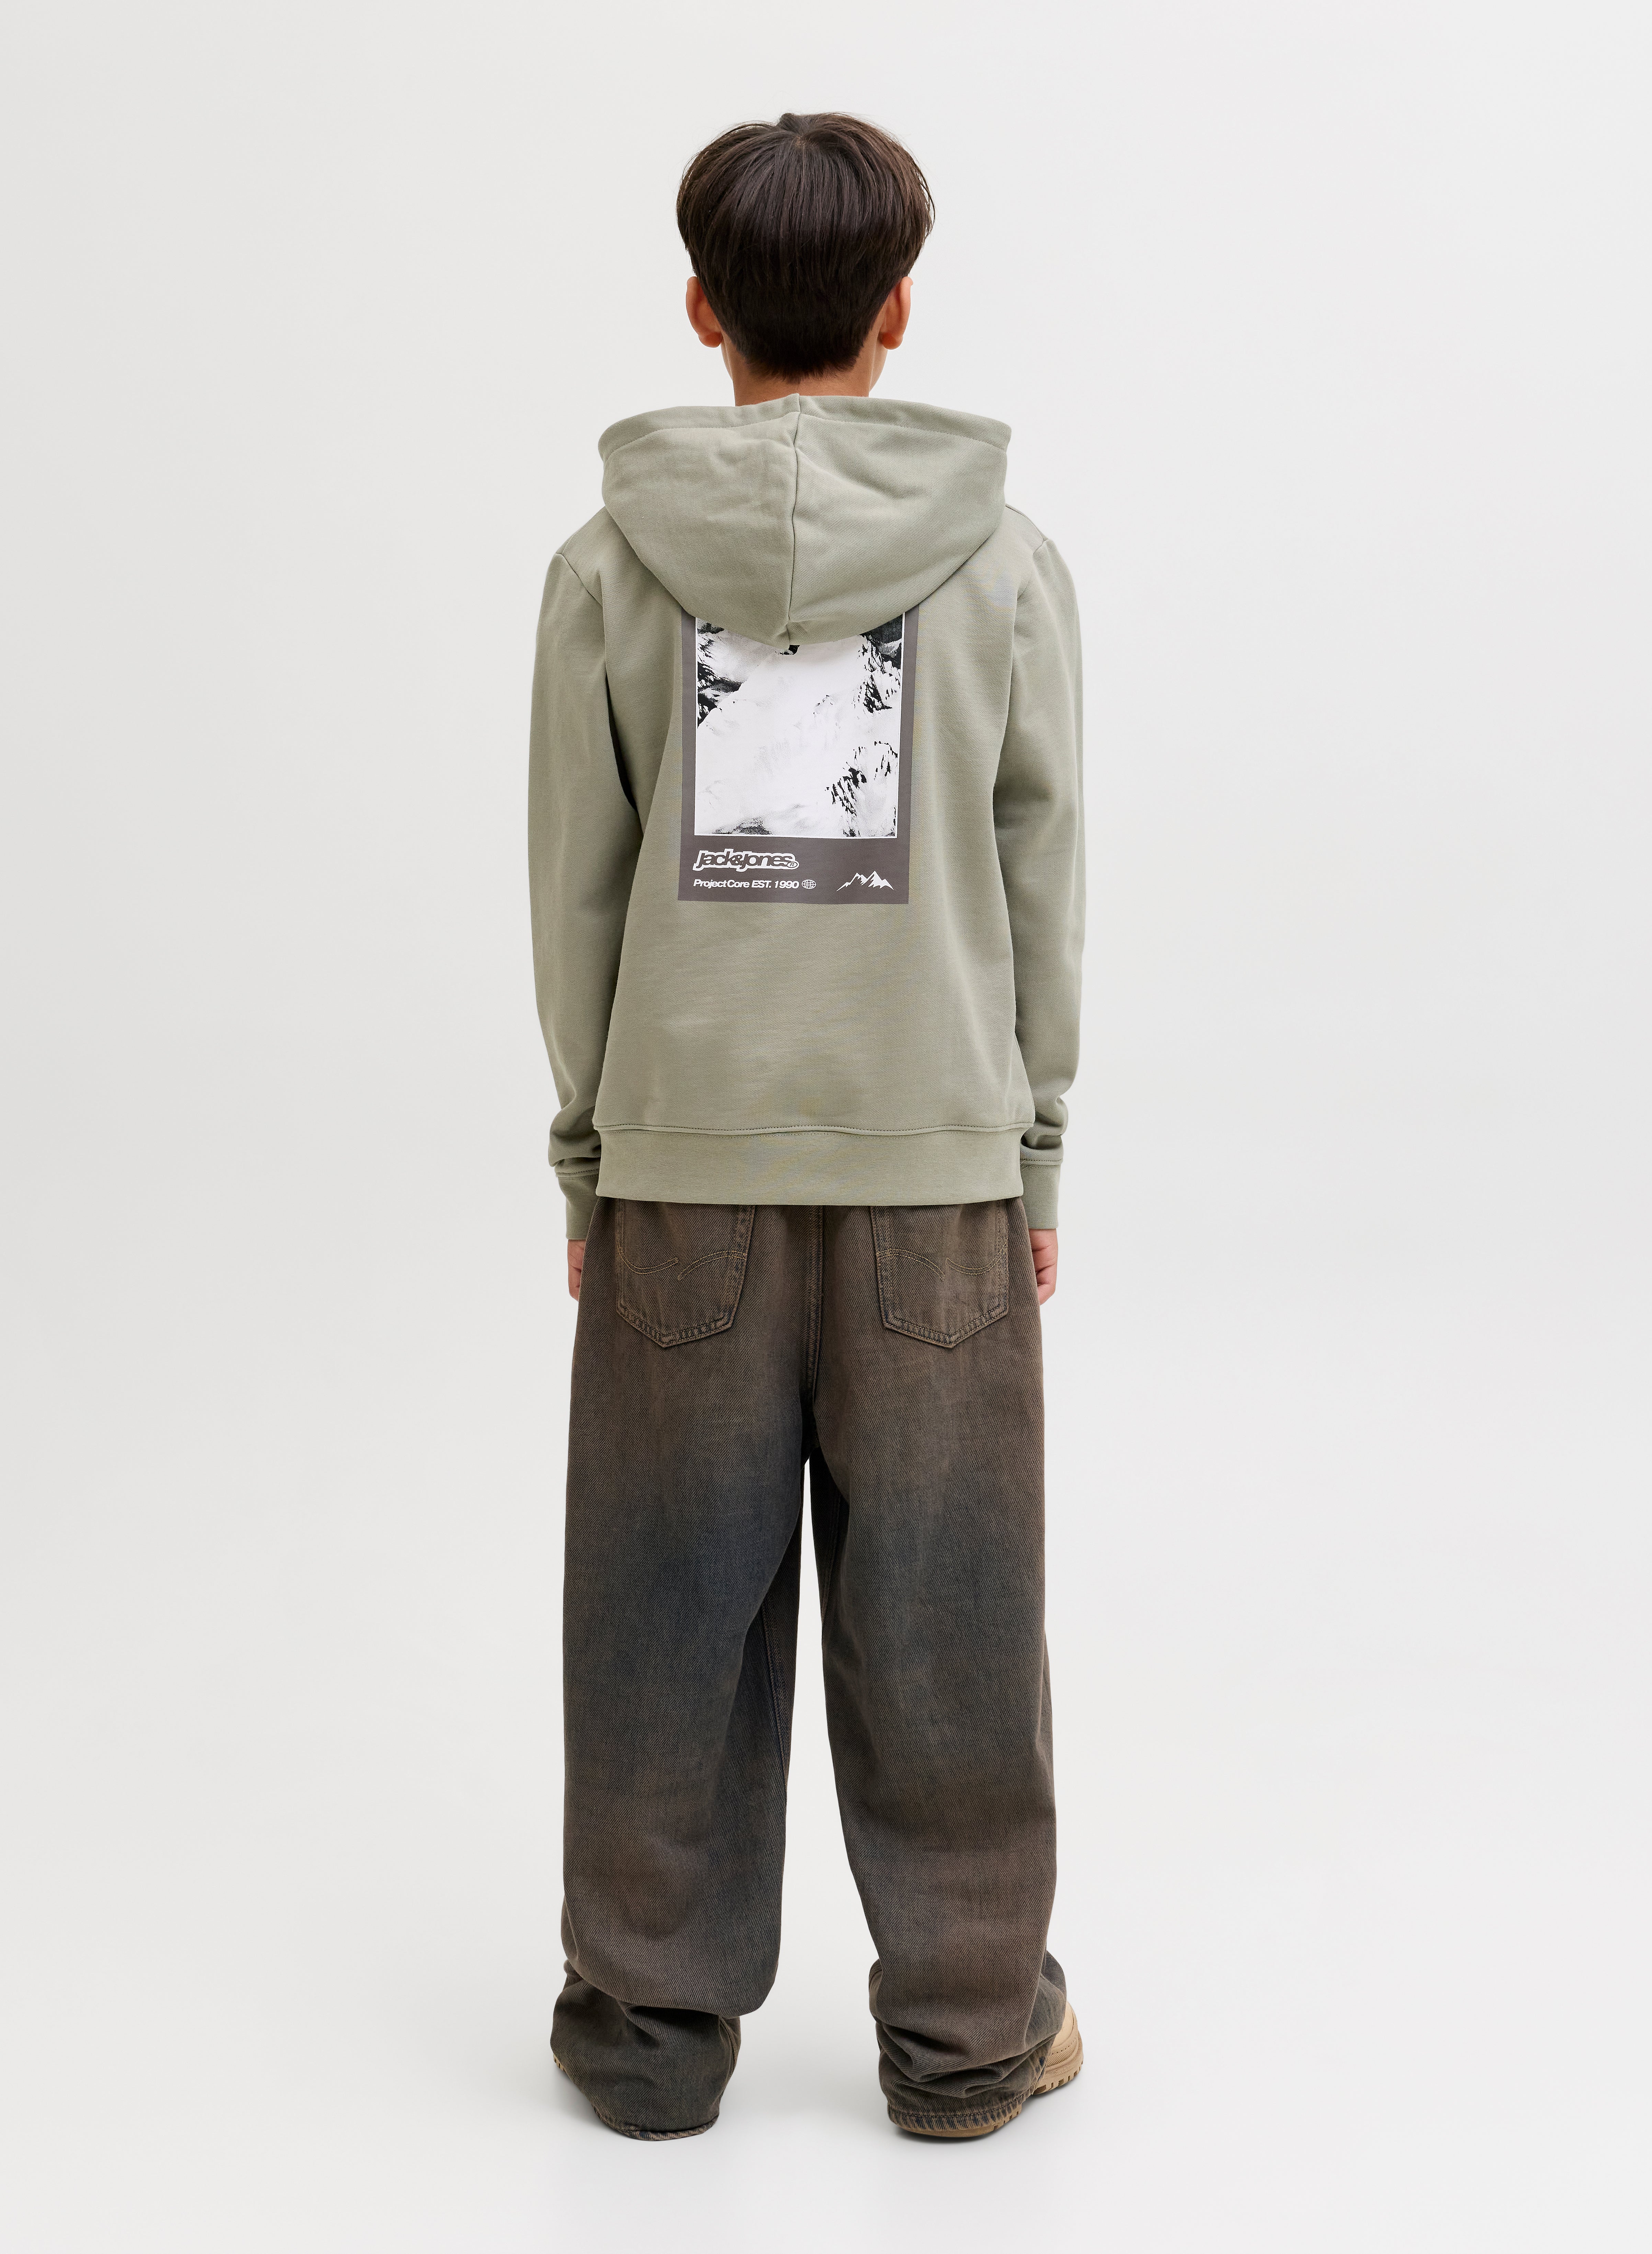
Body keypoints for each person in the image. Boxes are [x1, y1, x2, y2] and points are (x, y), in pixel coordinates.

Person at [529, 111, 1084, 2141]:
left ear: (704, 312)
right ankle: (970, 2035)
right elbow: (1041, 877)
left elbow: (577, 888)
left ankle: (646, 2038)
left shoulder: (606, 570)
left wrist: (591, 1152)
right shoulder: (1006, 566)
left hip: (684, 1167)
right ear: (897, 311)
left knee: (662, 1604)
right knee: (950, 1615)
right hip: (936, 1168)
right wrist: (1034, 1146)